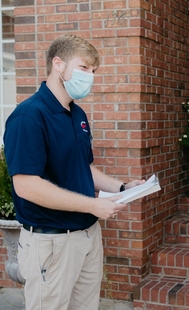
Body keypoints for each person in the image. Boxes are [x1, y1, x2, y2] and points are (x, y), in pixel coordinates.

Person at [4, 34, 144, 310]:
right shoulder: (28, 116)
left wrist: (124, 188)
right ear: (58, 64)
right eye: (83, 68)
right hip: (52, 242)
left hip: (88, 237)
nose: (90, 76)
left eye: (93, 71)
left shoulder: (77, 114)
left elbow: (84, 168)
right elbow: (27, 186)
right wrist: (92, 204)